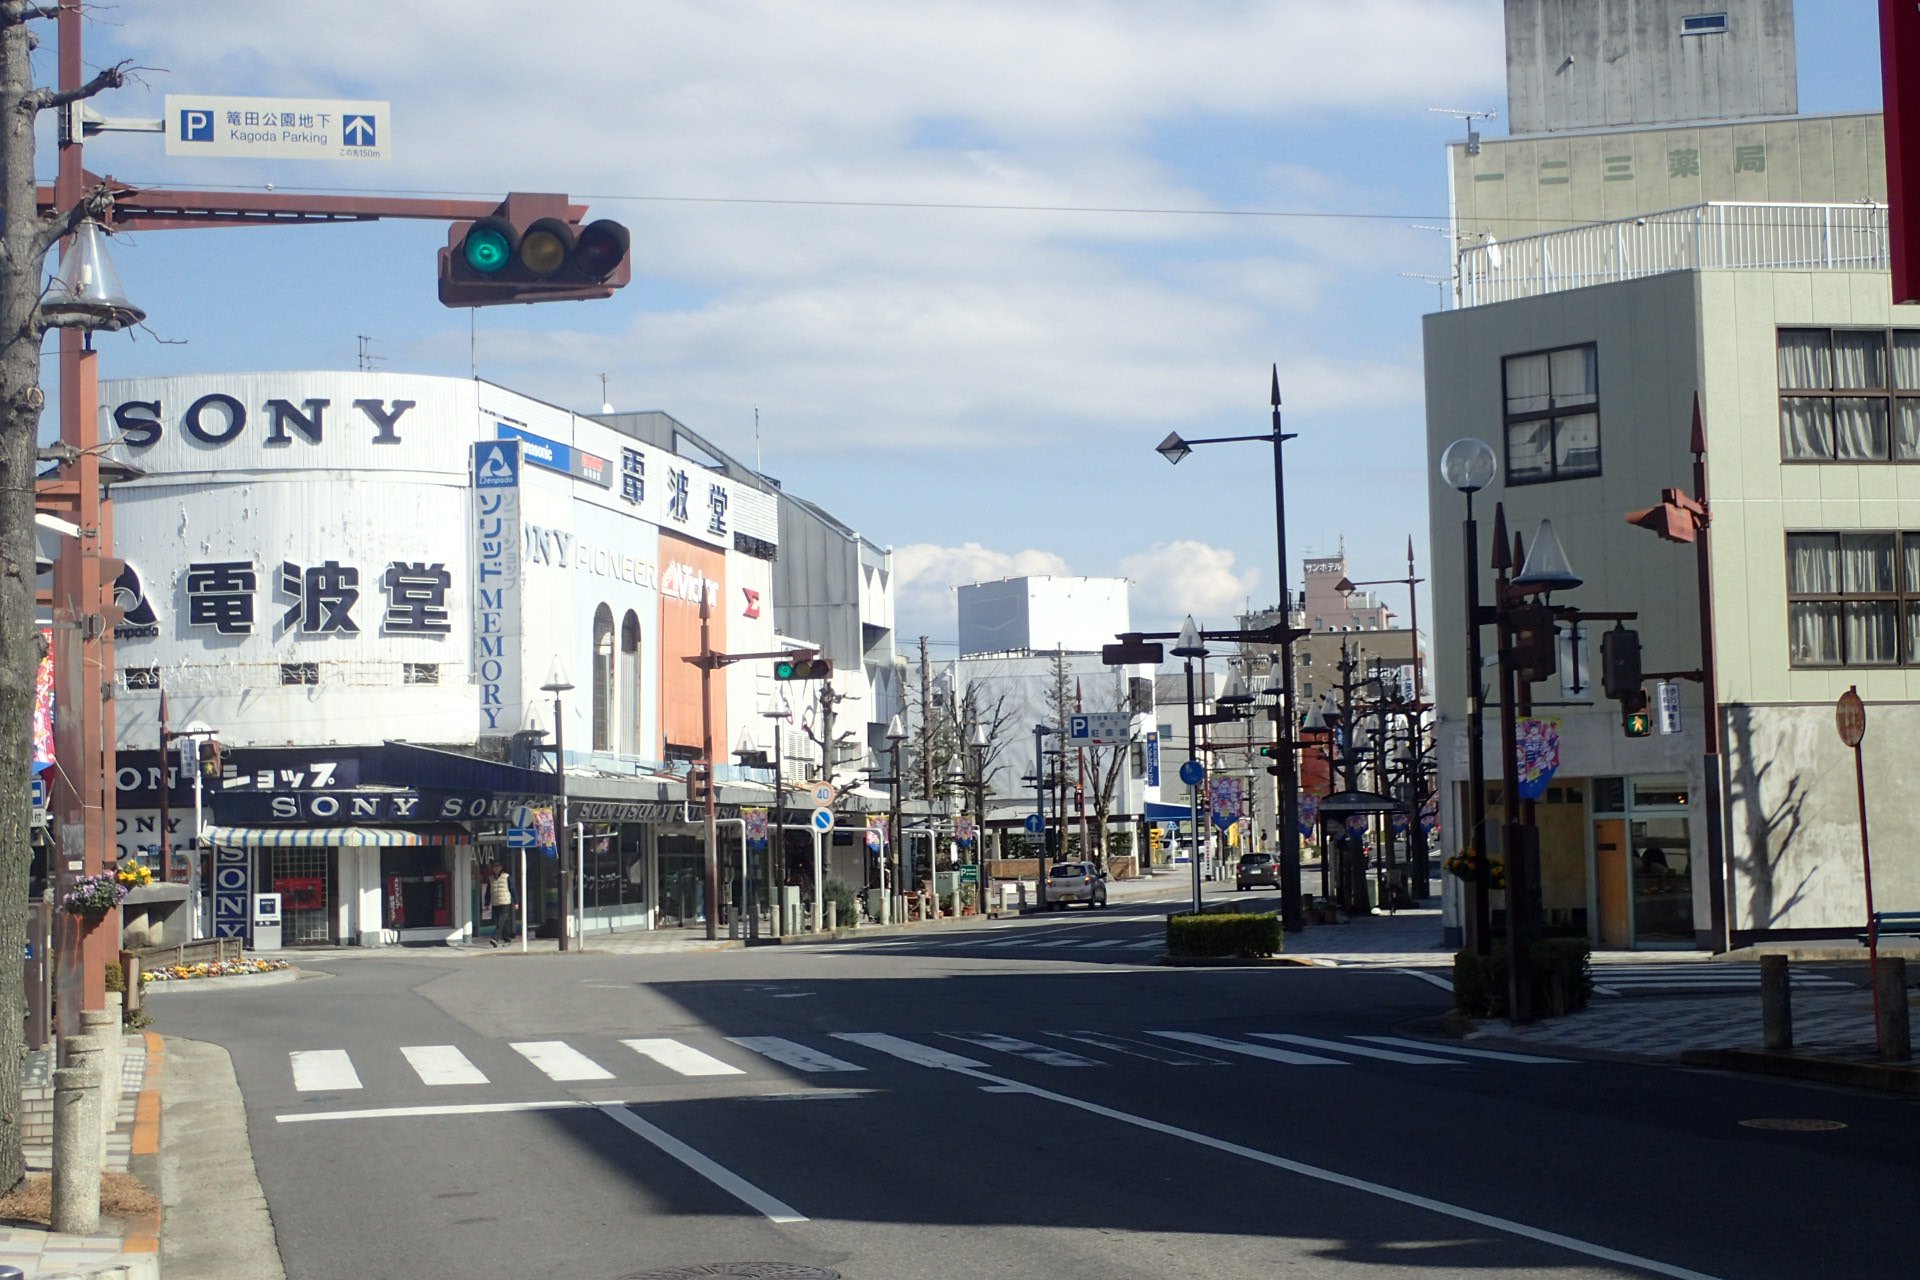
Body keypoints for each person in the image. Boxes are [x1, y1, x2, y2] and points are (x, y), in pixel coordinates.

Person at [488, 862, 516, 946]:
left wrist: (516, 901)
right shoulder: (491, 878)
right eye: (494, 866)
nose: (496, 868)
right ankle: (507, 939)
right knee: (502, 922)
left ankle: (495, 938)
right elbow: (488, 891)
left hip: (505, 902)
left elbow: (513, 889)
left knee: (501, 921)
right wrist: (486, 901)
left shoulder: (507, 877)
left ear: (501, 867)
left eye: (498, 866)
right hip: (495, 902)